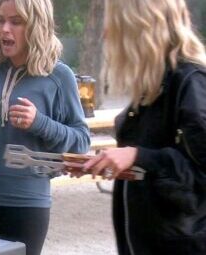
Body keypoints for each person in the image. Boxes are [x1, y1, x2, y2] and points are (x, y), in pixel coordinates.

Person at [0, 0, 90, 254]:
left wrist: (40, 123)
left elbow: (81, 143)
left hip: (27, 207)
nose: (4, 29)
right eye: (0, 20)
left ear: (36, 25)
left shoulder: (59, 76)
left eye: (16, 22)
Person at [80, 0, 206, 254]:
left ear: (139, 27)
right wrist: (110, 163)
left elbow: (198, 175)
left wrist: (138, 156)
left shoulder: (191, 84)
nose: (106, 33)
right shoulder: (152, 87)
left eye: (114, 25)